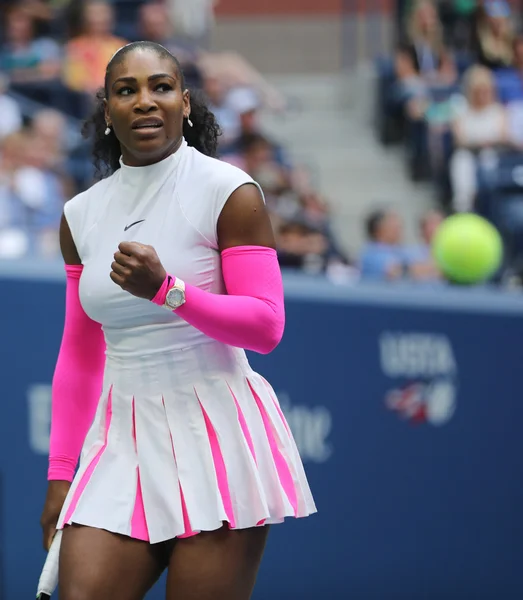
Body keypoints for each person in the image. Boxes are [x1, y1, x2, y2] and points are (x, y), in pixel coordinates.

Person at [38, 40, 316, 600]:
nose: (145, 101)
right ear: (107, 111)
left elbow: (265, 327)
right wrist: (61, 473)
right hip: (119, 440)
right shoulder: (81, 215)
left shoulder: (228, 192)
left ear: (185, 104)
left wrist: (168, 292)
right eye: (126, 90)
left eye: (160, 87)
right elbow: (80, 353)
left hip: (217, 434)